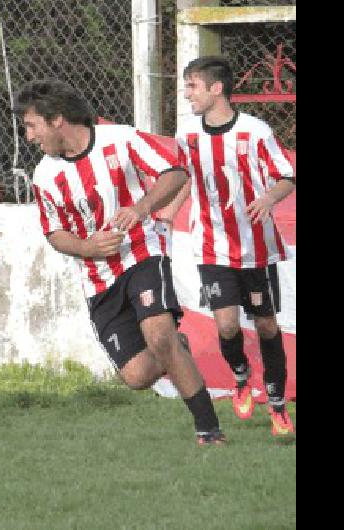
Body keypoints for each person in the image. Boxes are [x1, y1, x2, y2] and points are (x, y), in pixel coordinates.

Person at [14, 78, 226, 445]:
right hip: (99, 278)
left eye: (32, 126)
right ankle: (176, 349)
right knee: (137, 376)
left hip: (144, 251)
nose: (29, 137)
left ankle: (209, 430)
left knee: (160, 336)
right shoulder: (45, 175)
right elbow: (54, 233)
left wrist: (143, 207)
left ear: (57, 119)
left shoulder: (120, 140)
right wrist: (88, 247)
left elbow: (175, 172)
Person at [163, 56, 295, 437]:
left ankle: (276, 404)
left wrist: (270, 198)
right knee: (226, 324)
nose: (187, 94)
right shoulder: (187, 133)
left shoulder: (255, 132)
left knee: (268, 326)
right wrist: (170, 212)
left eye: (192, 86)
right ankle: (241, 377)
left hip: (256, 248)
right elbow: (187, 176)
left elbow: (287, 175)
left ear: (216, 89)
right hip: (211, 246)